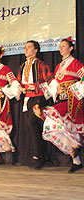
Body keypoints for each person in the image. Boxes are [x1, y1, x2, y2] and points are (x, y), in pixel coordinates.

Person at [42, 38, 84, 173]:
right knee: (55, 124)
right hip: (61, 98)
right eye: (60, 46)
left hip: (73, 100)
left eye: (64, 46)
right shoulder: (58, 66)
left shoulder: (76, 64)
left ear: (71, 48)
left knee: (70, 126)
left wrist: (73, 87)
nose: (61, 48)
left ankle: (76, 157)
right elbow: (55, 82)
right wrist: (57, 88)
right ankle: (75, 156)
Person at [17, 41, 54, 169]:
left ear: (36, 50)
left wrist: (36, 87)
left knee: (33, 124)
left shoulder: (40, 64)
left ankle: (39, 156)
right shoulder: (23, 66)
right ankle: (36, 154)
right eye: (25, 47)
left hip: (38, 97)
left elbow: (49, 80)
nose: (26, 49)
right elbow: (18, 81)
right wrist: (20, 88)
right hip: (27, 98)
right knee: (29, 127)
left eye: (29, 47)